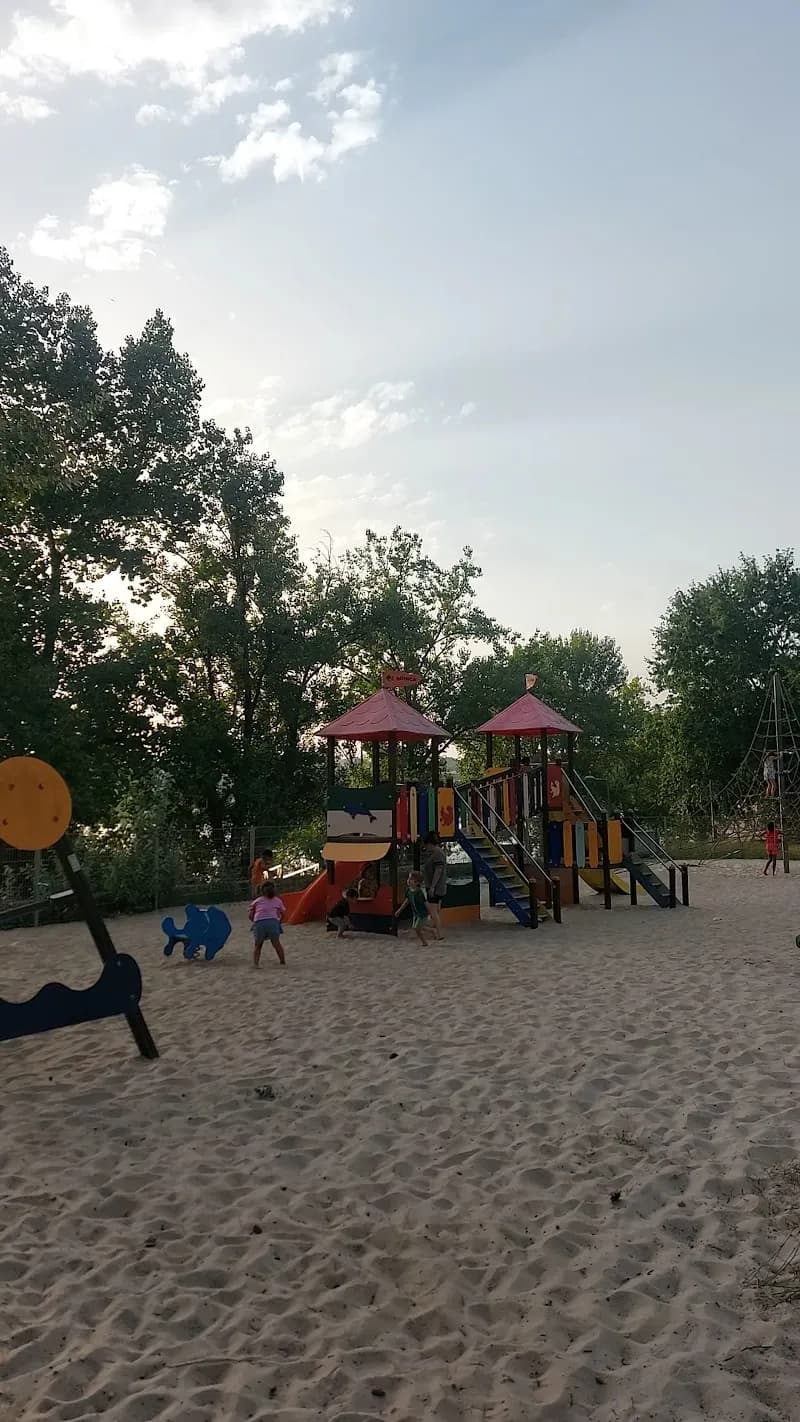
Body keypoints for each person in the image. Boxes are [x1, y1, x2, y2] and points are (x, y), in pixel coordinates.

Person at [248, 881, 286, 966]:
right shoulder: (277, 900)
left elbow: (250, 915)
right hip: (273, 922)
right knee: (276, 943)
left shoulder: (257, 901)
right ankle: (282, 961)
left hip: (259, 922)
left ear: (261, 891)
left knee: (258, 945)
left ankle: (256, 963)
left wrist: (254, 922)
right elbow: (283, 914)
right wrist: (279, 922)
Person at [422, 831, 447, 941]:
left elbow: (438, 871)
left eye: (426, 845)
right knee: (436, 910)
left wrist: (432, 887)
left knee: (433, 911)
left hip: (435, 887)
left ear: (429, 844)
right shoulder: (437, 853)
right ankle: (435, 930)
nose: (426, 848)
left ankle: (438, 933)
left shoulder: (437, 854)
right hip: (438, 886)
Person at [395, 871, 432, 946]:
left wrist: (430, 914)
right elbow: (406, 901)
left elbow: (426, 903)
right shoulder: (408, 891)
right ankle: (432, 931)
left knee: (417, 928)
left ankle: (424, 942)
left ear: (416, 882)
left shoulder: (419, 892)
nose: (408, 880)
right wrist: (399, 910)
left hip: (422, 914)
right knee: (417, 927)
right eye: (408, 878)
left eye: (410, 879)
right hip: (416, 913)